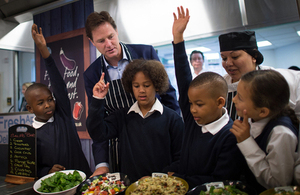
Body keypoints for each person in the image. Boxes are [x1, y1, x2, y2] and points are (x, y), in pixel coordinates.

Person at [83, 11, 180, 176]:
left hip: (156, 136)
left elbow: (168, 95)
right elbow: (98, 122)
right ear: (92, 42)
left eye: (111, 36)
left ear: (116, 31)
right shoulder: (91, 74)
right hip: (121, 144)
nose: (108, 44)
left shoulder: (145, 53)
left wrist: (173, 133)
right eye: (101, 41)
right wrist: (101, 163)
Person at [167, 6, 244, 189]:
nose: (192, 109)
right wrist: (178, 39)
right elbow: (184, 80)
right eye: (191, 104)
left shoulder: (230, 135)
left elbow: (220, 182)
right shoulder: (195, 120)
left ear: (219, 102)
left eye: (199, 104)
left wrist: (179, 178)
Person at [86, 59, 184, 182]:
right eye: (136, 86)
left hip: (161, 186)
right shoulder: (122, 116)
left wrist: (155, 179)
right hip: (129, 186)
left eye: (146, 85)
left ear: (157, 85)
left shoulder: (172, 119)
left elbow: (181, 158)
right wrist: (97, 100)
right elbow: (98, 133)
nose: (141, 90)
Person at [26, 24, 92, 178]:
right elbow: (33, 168)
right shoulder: (31, 135)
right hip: (57, 188)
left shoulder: (62, 115)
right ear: (30, 108)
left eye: (50, 99)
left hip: (83, 180)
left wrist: (44, 51)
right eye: (40, 103)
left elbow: (58, 84)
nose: (48, 104)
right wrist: (46, 171)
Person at [230, 69, 299, 192]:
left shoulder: (281, 133)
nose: (233, 100)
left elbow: (279, 184)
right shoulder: (251, 117)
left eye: (240, 98)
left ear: (263, 111)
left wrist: (246, 141)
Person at [219, 30, 300, 121]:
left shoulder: (281, 80)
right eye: (224, 58)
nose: (228, 63)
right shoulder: (219, 85)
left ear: (254, 56)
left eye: (235, 56)